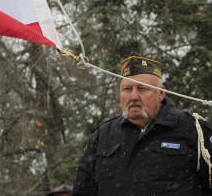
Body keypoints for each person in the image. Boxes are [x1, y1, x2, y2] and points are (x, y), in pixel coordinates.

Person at [73, 55, 212, 195]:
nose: (133, 97)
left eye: (142, 89)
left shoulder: (194, 131)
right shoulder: (102, 137)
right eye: (127, 89)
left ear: (161, 93)